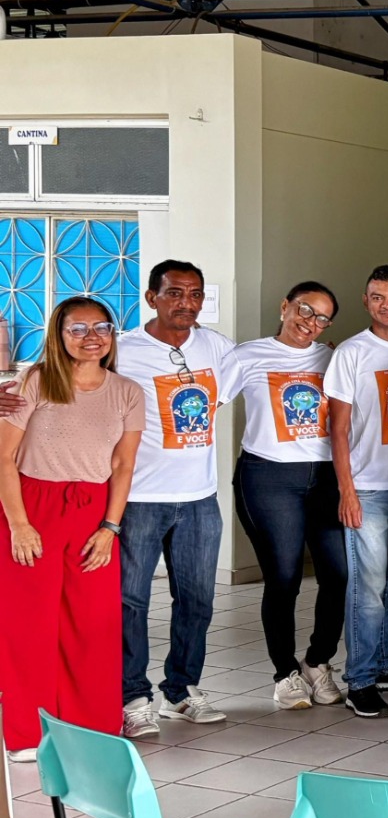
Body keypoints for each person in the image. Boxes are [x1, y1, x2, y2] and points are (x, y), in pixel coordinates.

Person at [0, 298, 143, 760]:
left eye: (101, 327)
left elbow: (123, 465)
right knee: (29, 624)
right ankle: (28, 733)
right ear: (58, 335)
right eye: (77, 329)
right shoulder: (37, 381)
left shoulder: (127, 392)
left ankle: (93, 726)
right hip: (32, 506)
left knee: (93, 623)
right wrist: (19, 525)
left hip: (93, 512)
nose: (91, 337)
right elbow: (3, 457)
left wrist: (110, 527)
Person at [116, 261, 234, 736]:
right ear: (152, 298)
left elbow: (244, 378)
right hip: (140, 497)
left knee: (197, 600)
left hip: (200, 496)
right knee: (131, 601)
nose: (187, 303)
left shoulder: (215, 346)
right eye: (175, 293)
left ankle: (181, 691)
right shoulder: (123, 349)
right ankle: (132, 696)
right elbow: (70, 379)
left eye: (195, 294)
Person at [226, 282, 352, 712]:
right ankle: (285, 672)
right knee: (284, 578)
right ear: (285, 307)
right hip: (268, 477)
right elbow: (206, 402)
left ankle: (317, 661)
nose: (310, 322)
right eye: (304, 309)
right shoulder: (246, 355)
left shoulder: (332, 359)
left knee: (339, 573)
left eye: (322, 317)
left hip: (325, 477)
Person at [324, 265, 388, 719]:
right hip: (367, 487)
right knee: (367, 589)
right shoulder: (351, 352)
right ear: (366, 301)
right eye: (378, 297)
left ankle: (387, 663)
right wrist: (346, 490)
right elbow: (338, 429)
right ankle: (360, 679)